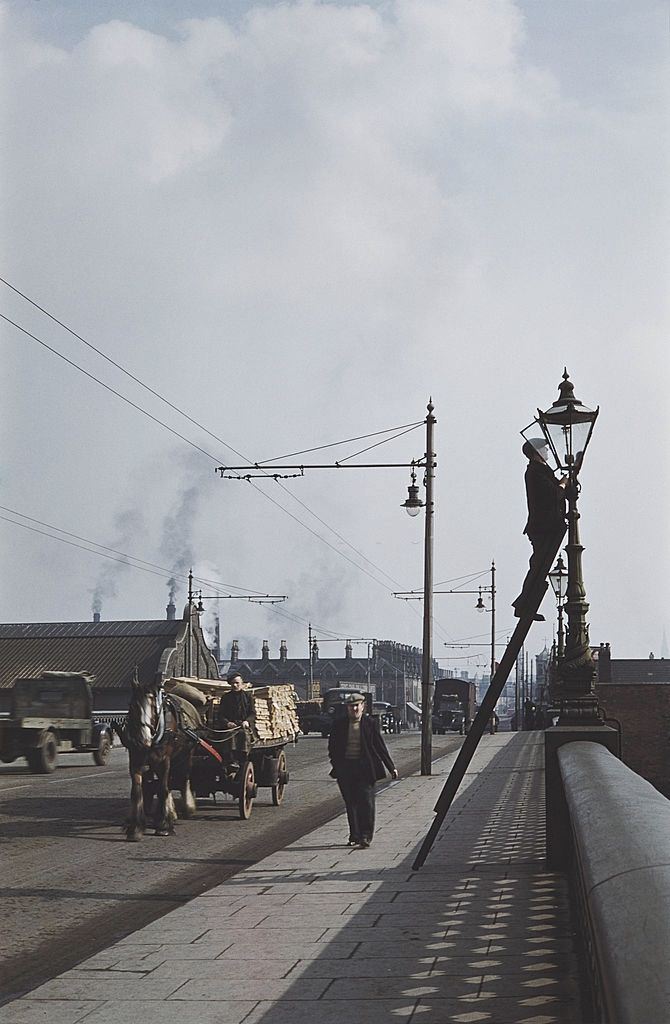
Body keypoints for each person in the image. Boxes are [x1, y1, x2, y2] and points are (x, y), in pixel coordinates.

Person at [328, 693, 398, 849]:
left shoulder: (370, 724)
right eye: (351, 706)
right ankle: (355, 834)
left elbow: (380, 746)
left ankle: (366, 836)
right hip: (346, 769)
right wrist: (337, 764)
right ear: (347, 708)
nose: (354, 709)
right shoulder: (339, 724)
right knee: (351, 803)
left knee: (366, 802)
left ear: (363, 706)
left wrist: (391, 766)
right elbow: (332, 747)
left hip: (365, 769)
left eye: (356, 706)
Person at [512, 438, 567, 621]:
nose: (547, 452)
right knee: (537, 567)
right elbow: (552, 495)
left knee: (538, 566)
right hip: (543, 527)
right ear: (537, 452)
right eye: (544, 449)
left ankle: (525, 603)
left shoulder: (539, 471)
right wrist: (564, 484)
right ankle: (523, 604)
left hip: (545, 526)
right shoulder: (535, 472)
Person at [217, 672, 255, 757]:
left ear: (241, 684)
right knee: (230, 736)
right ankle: (231, 758)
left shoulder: (248, 696)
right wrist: (227, 723)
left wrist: (247, 721)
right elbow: (220, 714)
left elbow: (252, 713)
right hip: (230, 726)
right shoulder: (226, 697)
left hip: (243, 725)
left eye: (237, 683)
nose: (235, 685)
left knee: (243, 734)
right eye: (233, 683)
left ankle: (242, 757)